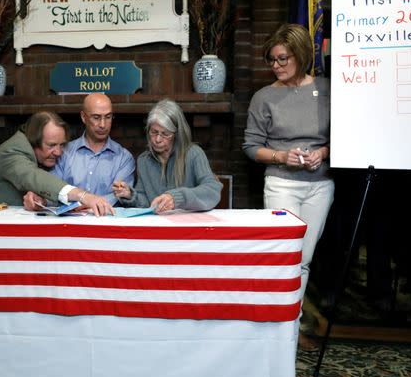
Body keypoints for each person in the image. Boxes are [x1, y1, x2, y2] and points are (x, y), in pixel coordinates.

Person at [243, 23, 334, 305]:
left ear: (301, 54)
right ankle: (279, 318)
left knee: (304, 258)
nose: (276, 65)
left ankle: (292, 319)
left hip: (320, 186)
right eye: (272, 59)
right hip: (282, 185)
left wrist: (325, 152)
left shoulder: (327, 88)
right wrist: (282, 156)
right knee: (285, 255)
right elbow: (250, 147)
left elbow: (347, 136)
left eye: (283, 58)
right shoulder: (264, 97)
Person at [0, 111, 114, 216]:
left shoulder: (38, 154)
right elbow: (34, 177)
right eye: (51, 145)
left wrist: (40, 200)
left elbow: (43, 189)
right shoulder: (13, 151)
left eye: (62, 145)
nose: (59, 152)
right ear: (34, 140)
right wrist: (83, 196)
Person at [112, 99, 221, 213]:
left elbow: (212, 191)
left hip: (187, 225)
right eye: (154, 132)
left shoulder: (194, 154)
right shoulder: (144, 160)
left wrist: (176, 198)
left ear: (177, 134)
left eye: (165, 134)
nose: (157, 139)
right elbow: (147, 203)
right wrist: (130, 195)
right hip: (157, 225)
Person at [32, 93, 134, 206]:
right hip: (69, 222)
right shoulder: (64, 152)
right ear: (83, 117)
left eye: (108, 117)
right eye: (96, 117)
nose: (103, 124)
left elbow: (120, 198)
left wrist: (83, 204)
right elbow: (54, 190)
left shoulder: (124, 157)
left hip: (106, 221)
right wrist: (41, 201)